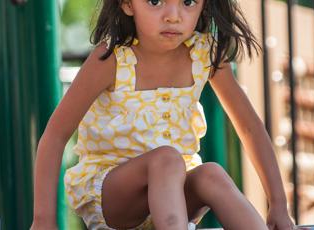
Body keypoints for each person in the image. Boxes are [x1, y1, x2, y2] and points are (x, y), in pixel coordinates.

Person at [31, 0, 295, 229]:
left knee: (211, 173)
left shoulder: (204, 54)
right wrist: (44, 220)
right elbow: (55, 135)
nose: (173, 15)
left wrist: (279, 205)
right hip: (114, 196)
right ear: (127, 4)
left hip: (174, 195)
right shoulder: (112, 58)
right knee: (167, 158)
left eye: (188, 1)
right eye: (156, 1)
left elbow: (249, 127)